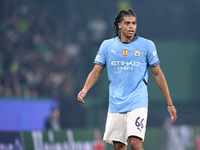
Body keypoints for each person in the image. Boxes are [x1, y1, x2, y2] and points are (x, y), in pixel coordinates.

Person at [77, 8, 177, 150]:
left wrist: (169, 102)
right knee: (118, 146)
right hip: (116, 102)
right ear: (119, 25)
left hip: (137, 101)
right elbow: (96, 71)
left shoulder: (147, 45)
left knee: (135, 141)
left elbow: (157, 74)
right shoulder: (107, 46)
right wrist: (85, 88)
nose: (131, 26)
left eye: (134, 23)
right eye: (127, 23)